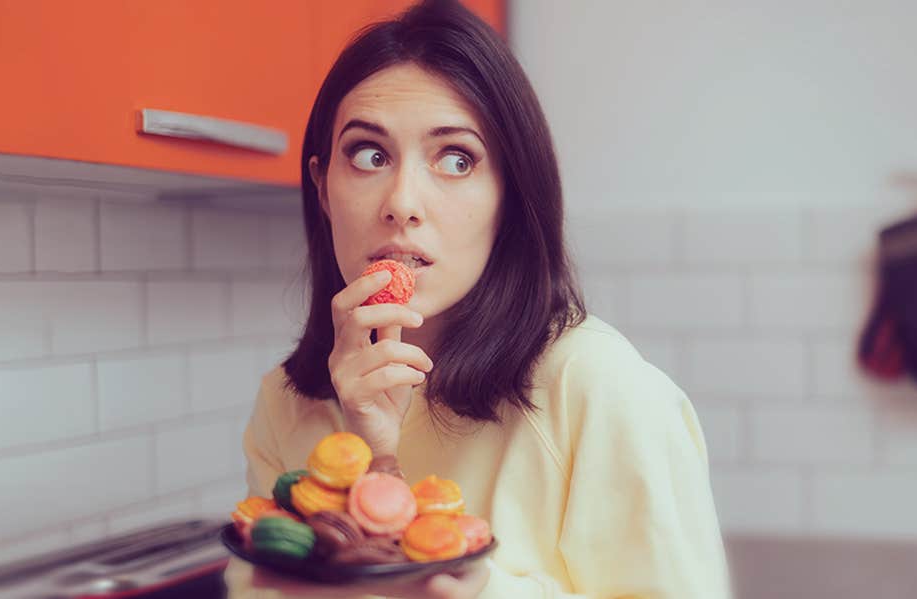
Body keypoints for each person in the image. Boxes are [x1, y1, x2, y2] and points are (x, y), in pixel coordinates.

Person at [224, 1, 731, 597]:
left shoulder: (601, 391)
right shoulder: (286, 406)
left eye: (456, 159)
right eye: (369, 155)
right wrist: (373, 461)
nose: (402, 201)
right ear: (323, 189)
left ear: (509, 198)